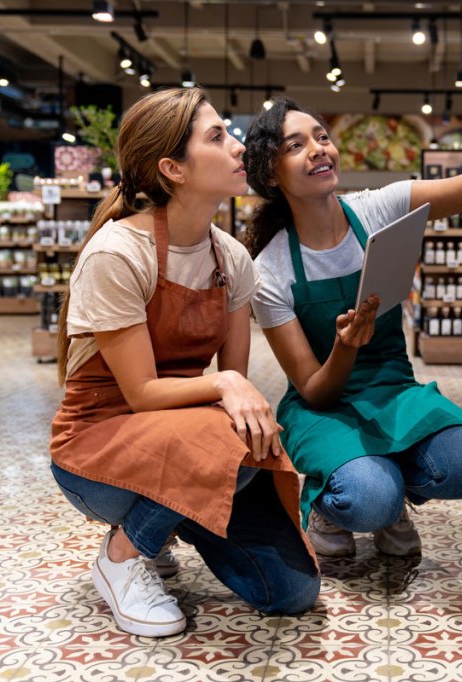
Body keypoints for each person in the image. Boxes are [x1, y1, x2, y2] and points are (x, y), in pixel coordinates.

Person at [242, 67, 462, 557]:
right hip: (326, 408)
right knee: (368, 500)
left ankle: (385, 481)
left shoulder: (378, 208)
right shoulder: (270, 270)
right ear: (270, 175)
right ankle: (336, 499)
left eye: (322, 137)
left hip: (392, 389)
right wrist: (345, 346)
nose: (319, 148)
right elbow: (315, 389)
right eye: (296, 146)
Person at [49, 87, 319, 638]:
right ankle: (124, 555)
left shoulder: (232, 258)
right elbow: (145, 393)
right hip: (96, 450)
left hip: (182, 439)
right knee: (235, 434)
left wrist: (232, 388)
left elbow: (234, 385)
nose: (240, 148)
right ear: (172, 168)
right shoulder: (118, 254)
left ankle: (172, 519)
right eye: (217, 137)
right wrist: (226, 384)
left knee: (292, 591)